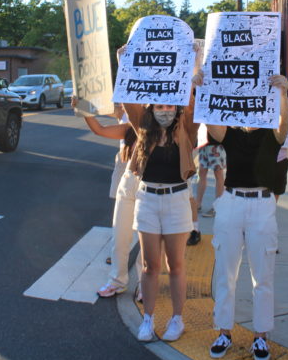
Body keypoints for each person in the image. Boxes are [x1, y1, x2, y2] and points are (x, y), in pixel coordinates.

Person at [194, 71, 288, 360]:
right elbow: (211, 120)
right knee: (226, 273)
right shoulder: (230, 132)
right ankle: (224, 331)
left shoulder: (272, 131)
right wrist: (201, 90)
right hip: (232, 202)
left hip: (262, 205)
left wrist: (284, 93)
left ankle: (261, 337)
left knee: (263, 276)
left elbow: (284, 126)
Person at [121, 44, 200, 343]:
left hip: (178, 199)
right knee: (149, 265)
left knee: (176, 265)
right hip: (148, 199)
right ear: (152, 109)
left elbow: (192, 103)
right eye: (159, 106)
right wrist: (125, 61)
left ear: (176, 108)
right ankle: (148, 319)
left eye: (170, 106)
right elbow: (129, 100)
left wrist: (193, 65)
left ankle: (177, 319)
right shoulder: (143, 131)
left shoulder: (187, 130)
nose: (165, 110)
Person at [71, 98, 141, 299]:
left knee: (148, 241)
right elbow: (100, 129)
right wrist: (83, 110)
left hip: (153, 186)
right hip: (128, 180)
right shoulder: (130, 126)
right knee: (120, 233)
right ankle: (118, 281)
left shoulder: (167, 125)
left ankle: (145, 284)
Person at [195, 124, 226, 218]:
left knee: (218, 174)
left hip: (217, 144)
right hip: (203, 141)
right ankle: (198, 204)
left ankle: (218, 206)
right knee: (202, 172)